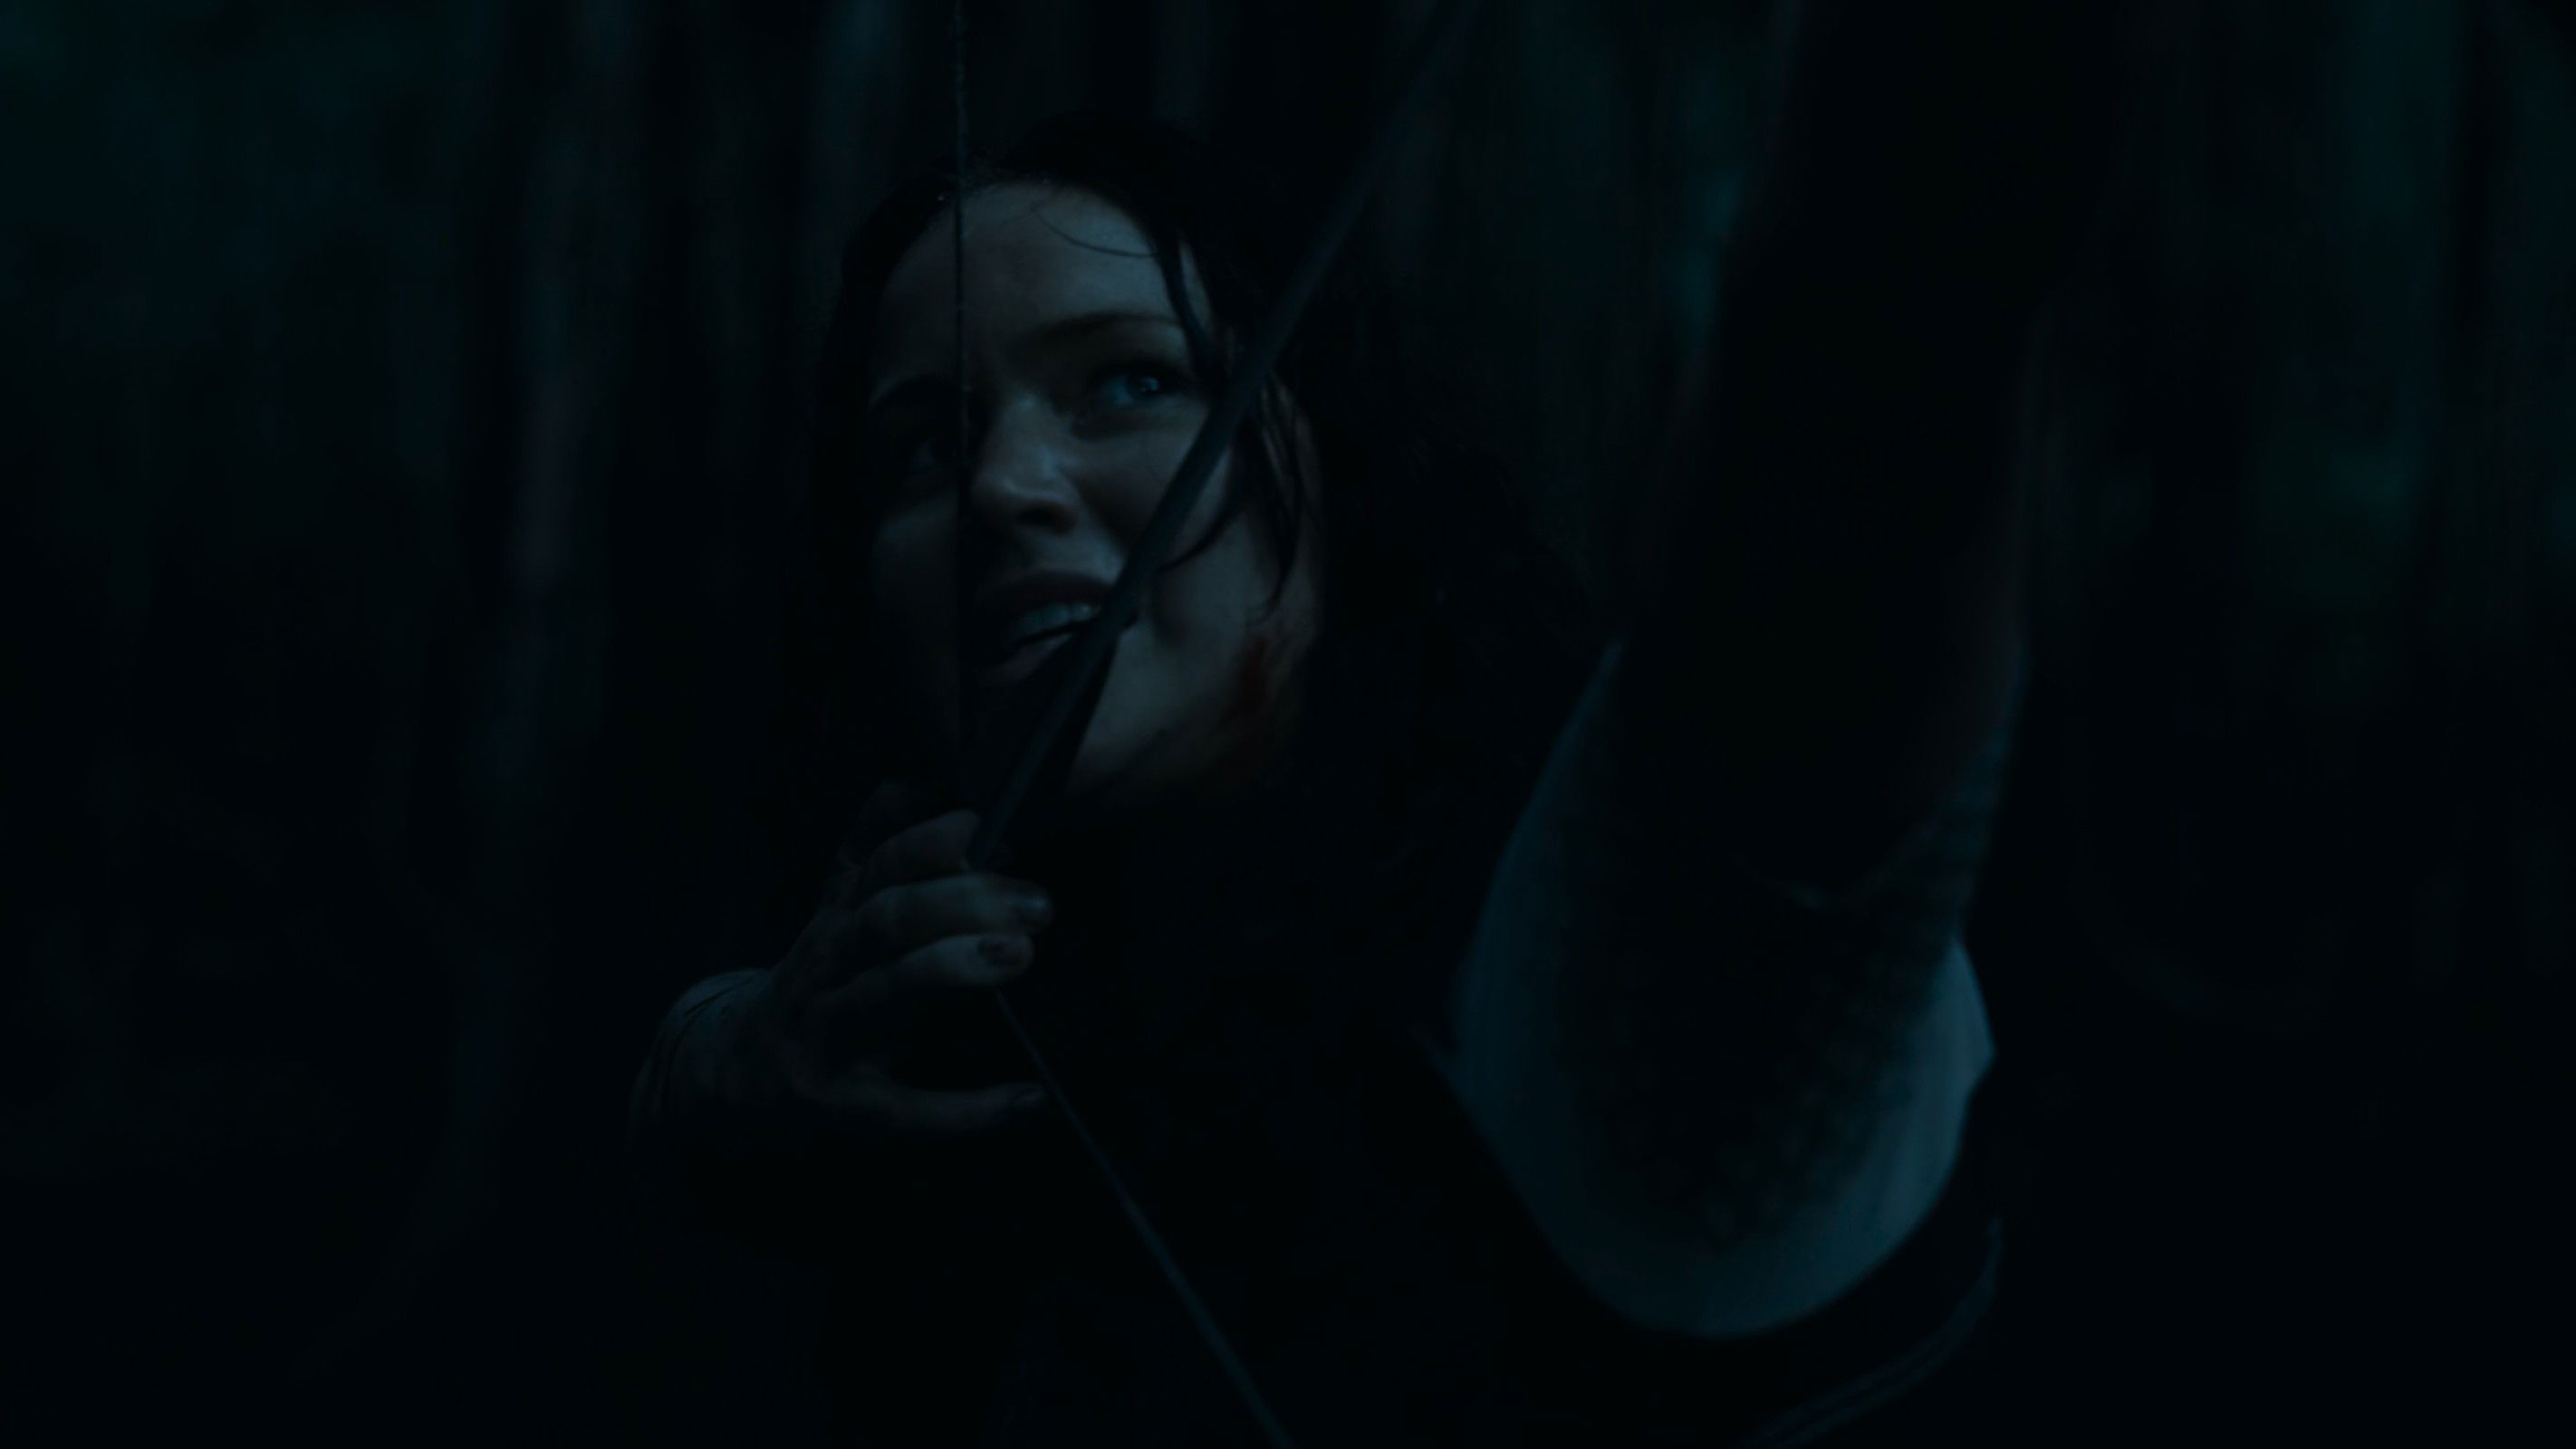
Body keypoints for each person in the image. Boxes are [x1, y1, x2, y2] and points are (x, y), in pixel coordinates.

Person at [632, 5, 2150, 1441]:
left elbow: (1876, 372)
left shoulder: (1588, 956)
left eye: (1131, 382)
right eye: (920, 446)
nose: (1001, 485)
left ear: (1337, 464)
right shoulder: (896, 999)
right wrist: (718, 1063)